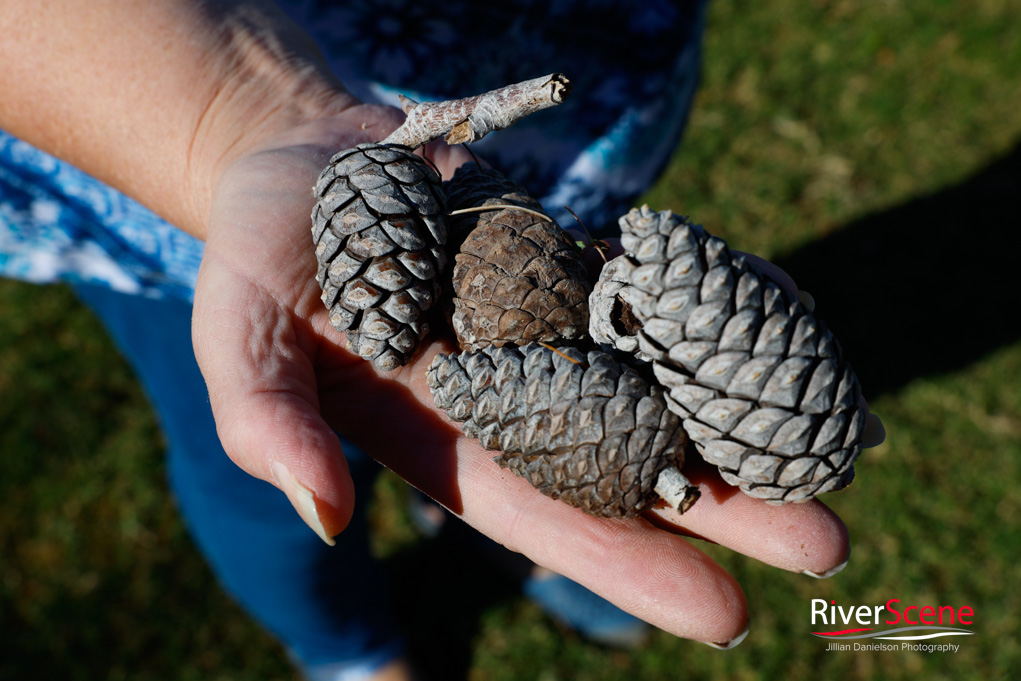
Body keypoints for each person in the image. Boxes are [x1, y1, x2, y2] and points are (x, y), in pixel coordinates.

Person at [0, 2, 882, 680]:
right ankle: (343, 643)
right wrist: (232, 114)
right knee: (264, 476)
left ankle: (485, 512)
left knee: (515, 380)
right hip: (133, 119)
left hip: (546, 86)